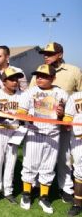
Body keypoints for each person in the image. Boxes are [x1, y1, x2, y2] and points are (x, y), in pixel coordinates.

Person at [29, 42, 82, 203]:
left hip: (66, 121)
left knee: (64, 158)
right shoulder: (39, 71)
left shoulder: (73, 71)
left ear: (60, 54)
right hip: (43, 122)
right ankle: (37, 186)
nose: (45, 56)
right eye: (44, 53)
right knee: (39, 156)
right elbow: (31, 95)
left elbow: (80, 96)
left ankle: (65, 188)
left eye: (50, 53)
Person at [19, 64, 68, 214]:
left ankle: (44, 196)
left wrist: (62, 114)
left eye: (43, 76)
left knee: (48, 166)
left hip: (53, 133)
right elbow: (21, 111)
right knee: (29, 164)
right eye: (37, 75)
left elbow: (69, 116)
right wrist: (26, 117)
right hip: (35, 132)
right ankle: (26, 194)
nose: (39, 78)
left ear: (53, 78)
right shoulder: (30, 92)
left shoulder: (61, 93)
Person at [0, 67, 24, 205]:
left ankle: (8, 191)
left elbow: (27, 114)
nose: (15, 82)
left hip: (14, 132)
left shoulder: (22, 95)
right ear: (4, 81)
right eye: (11, 79)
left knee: (11, 162)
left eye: (17, 79)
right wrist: (0, 116)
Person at [64, 92, 82, 216]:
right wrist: (66, 121)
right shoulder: (75, 97)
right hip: (78, 138)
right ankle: (77, 204)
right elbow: (68, 116)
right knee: (80, 170)